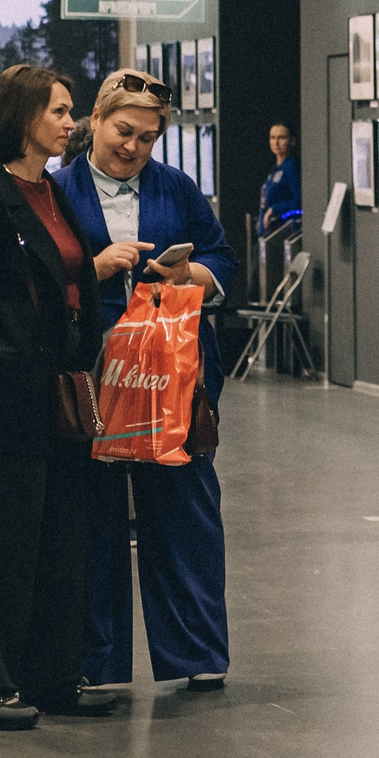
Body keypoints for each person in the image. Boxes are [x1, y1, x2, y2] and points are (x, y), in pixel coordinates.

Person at [56, 71, 238, 694]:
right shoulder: (57, 192)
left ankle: (197, 655)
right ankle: (94, 663)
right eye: (123, 131)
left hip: (173, 378)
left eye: (148, 138)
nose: (132, 147)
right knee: (95, 520)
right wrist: (93, 268)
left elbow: (222, 258)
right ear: (97, 122)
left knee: (185, 514)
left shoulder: (178, 189)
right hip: (94, 378)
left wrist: (196, 276)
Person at [0, 65, 104, 731]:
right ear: (24, 117)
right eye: (60, 111)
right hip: (8, 396)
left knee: (60, 538)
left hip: (59, 390)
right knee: (1, 545)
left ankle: (49, 676)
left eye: (71, 112)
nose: (71, 122)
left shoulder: (51, 193)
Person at [258, 121, 302, 301]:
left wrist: (275, 210)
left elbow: (299, 201)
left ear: (292, 141)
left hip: (278, 236)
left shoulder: (291, 167)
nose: (276, 142)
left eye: (282, 138)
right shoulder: (275, 169)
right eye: (273, 138)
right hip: (264, 235)